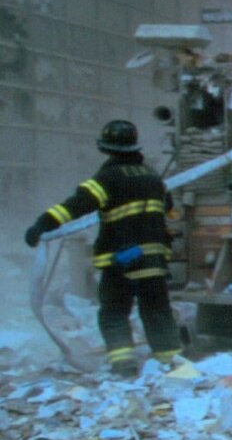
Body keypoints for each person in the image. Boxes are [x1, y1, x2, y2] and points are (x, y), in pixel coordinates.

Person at [23, 119, 182, 377]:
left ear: (106, 149)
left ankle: (124, 364)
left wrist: (41, 226)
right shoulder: (154, 178)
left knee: (114, 312)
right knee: (157, 311)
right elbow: (168, 207)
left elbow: (73, 207)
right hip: (154, 259)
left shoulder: (106, 178)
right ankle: (170, 361)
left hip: (121, 260)